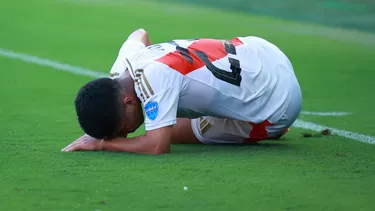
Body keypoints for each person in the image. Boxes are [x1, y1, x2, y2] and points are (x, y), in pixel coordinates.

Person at [61, 28, 302, 154]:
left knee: (167, 132)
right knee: (161, 122)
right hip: (264, 52)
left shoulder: (154, 76)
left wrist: (103, 145)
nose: (126, 133)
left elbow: (157, 146)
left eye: (121, 129)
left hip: (280, 104)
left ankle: (267, 129)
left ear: (128, 102)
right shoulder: (122, 69)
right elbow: (139, 34)